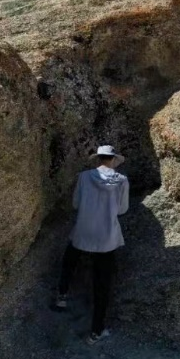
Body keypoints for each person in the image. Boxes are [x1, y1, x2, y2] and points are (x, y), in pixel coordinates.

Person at [53, 145, 130, 345]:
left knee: (70, 260)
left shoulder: (84, 177)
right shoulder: (121, 181)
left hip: (84, 230)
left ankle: (61, 296)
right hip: (106, 236)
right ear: (113, 160)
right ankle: (96, 331)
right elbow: (122, 209)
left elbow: (76, 204)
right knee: (102, 284)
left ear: (98, 159)